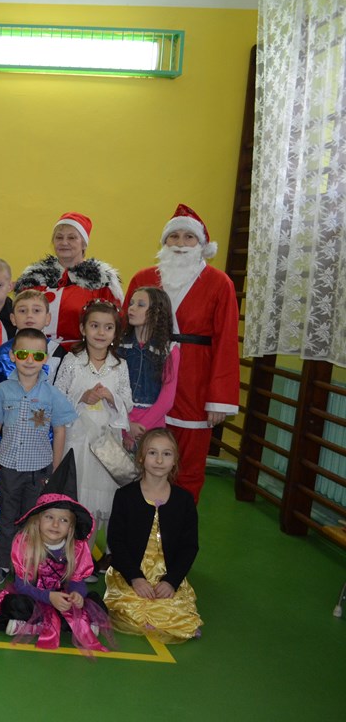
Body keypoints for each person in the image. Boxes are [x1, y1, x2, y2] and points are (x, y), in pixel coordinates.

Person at [124, 204, 239, 502]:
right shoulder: (142, 279)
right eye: (173, 236)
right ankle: (138, 520)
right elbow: (124, 332)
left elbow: (226, 341)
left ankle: (178, 522)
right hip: (145, 383)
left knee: (187, 464)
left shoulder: (219, 283)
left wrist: (219, 398)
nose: (180, 243)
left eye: (188, 237)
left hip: (195, 384)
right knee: (138, 458)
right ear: (164, 242)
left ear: (201, 244)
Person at [0, 488, 112, 653]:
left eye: (63, 520)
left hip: (61, 599)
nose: (55, 524)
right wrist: (48, 597)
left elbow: (76, 580)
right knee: (14, 604)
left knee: (95, 602)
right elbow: (22, 586)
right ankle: (52, 624)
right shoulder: (26, 544)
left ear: (71, 527)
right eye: (49, 517)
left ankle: (43, 624)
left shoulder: (76, 548)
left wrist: (77, 595)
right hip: (33, 596)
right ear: (37, 521)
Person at [0, 328, 78, 586]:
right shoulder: (2, 390)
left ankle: (28, 565)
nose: (30, 360)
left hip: (39, 469)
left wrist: (56, 467)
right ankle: (3, 563)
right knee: (7, 517)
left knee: (34, 520)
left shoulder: (52, 394)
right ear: (13, 356)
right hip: (10, 467)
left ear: (45, 359)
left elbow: (60, 430)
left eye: (37, 355)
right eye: (23, 354)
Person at [105, 428, 202, 643]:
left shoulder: (184, 500)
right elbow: (116, 541)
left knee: (174, 611)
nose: (159, 460)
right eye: (152, 453)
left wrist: (171, 581)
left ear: (175, 460)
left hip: (166, 574)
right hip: (131, 573)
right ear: (141, 457)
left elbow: (189, 546)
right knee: (133, 608)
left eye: (166, 454)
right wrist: (135, 578)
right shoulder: (125, 496)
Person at [53, 300, 132, 561]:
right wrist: (81, 397)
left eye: (108, 327)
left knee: (103, 500)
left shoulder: (119, 365)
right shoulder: (72, 361)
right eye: (95, 326)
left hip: (107, 442)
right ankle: (75, 556)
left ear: (115, 332)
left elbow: (128, 402)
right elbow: (58, 397)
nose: (101, 332)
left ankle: (101, 555)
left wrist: (111, 398)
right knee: (80, 495)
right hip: (77, 440)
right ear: (83, 329)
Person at [15, 211, 123, 348]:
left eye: (72, 238)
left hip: (81, 354)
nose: (64, 242)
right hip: (33, 354)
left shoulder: (102, 281)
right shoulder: (33, 278)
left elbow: (115, 325)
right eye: (59, 237)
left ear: (84, 244)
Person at [119, 286, 180, 446]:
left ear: (157, 312)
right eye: (131, 303)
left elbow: (167, 399)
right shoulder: (119, 344)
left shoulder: (169, 349)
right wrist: (126, 425)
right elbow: (112, 389)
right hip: (119, 422)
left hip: (152, 427)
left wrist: (140, 429)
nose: (132, 308)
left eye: (140, 305)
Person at [0, 289, 63, 384]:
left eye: (36, 310)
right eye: (22, 311)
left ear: (47, 318)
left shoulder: (58, 352)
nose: (29, 315)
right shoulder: (1, 355)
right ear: (13, 318)